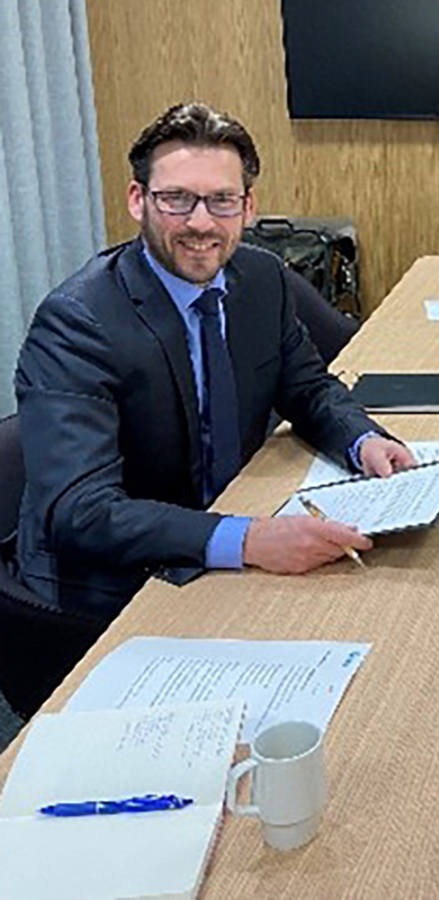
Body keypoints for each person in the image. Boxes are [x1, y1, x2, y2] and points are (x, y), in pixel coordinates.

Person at [13, 102, 415, 617]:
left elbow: (308, 388)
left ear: (248, 208)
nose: (200, 223)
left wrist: (364, 441)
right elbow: (80, 512)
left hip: (232, 519)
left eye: (221, 201)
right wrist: (249, 541)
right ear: (138, 200)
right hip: (118, 582)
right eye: (177, 199)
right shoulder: (77, 322)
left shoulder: (261, 279)